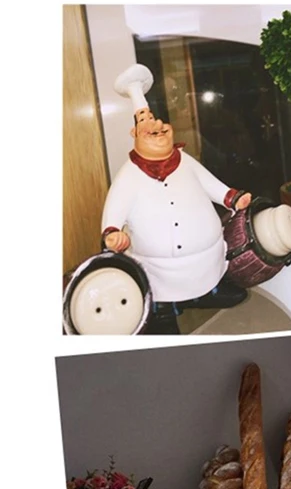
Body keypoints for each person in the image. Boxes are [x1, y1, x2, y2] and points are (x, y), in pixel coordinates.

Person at [101, 64, 253, 334]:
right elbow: (114, 208)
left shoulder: (184, 160)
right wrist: (112, 233)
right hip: (157, 266)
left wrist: (231, 197)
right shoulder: (129, 175)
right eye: (147, 126)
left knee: (206, 272)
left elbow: (210, 183)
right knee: (160, 289)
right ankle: (163, 310)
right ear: (134, 135)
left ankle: (208, 292)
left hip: (205, 258)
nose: (157, 129)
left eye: (159, 126)